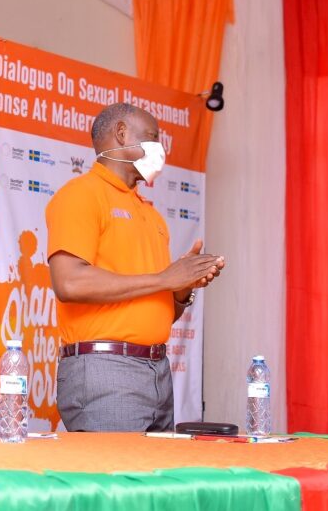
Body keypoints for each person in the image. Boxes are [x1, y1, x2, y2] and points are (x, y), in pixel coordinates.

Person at [46, 102, 225, 432]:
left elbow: (156, 307)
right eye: (153, 137)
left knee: (152, 482)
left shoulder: (151, 214)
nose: (160, 149)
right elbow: (68, 283)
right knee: (116, 481)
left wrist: (182, 286)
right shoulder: (81, 195)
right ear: (121, 133)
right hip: (106, 369)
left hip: (157, 369)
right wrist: (163, 278)